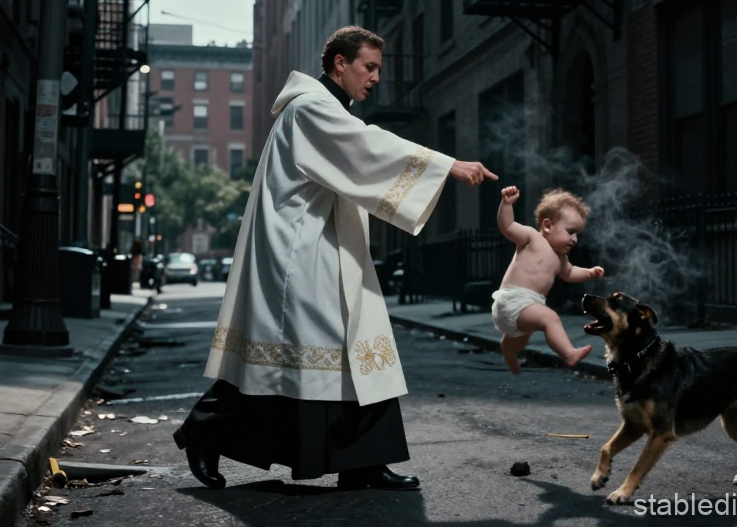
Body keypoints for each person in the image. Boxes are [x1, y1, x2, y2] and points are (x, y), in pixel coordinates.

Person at [172, 26, 497, 490]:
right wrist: (446, 165)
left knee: (358, 351)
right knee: (283, 358)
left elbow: (359, 149)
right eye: (369, 67)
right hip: (300, 257)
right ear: (340, 64)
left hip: (328, 250)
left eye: (379, 69)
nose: (376, 78)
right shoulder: (310, 108)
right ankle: (203, 431)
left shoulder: (324, 109)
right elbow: (366, 146)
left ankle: (364, 462)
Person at [492, 186, 604, 374]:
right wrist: (507, 204)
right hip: (513, 300)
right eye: (570, 231)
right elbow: (508, 226)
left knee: (520, 338)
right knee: (550, 318)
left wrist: (589, 273)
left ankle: (509, 354)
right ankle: (568, 353)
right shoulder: (532, 238)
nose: (574, 239)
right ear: (547, 226)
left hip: (528, 307)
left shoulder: (561, 258)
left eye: (577, 234)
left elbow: (570, 273)